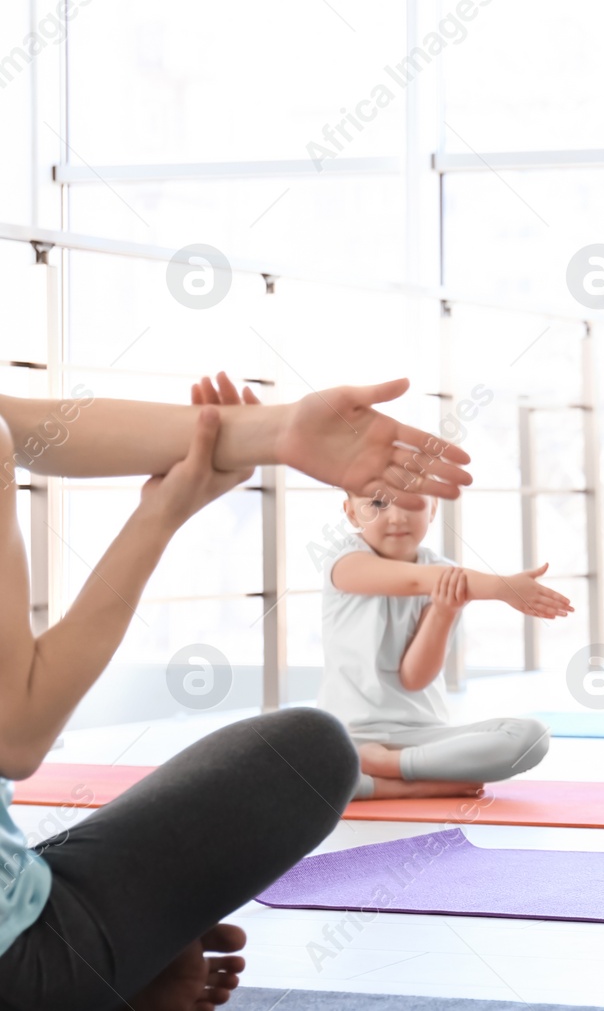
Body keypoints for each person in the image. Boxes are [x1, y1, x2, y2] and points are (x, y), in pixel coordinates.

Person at [0, 372, 471, 1010]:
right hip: (24, 962)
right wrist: (160, 514)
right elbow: (16, 737)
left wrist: (267, 432)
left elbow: (29, 424)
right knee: (310, 752)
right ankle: (98, 968)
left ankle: (116, 953)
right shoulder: (352, 566)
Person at [321, 487, 571, 799]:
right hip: (349, 738)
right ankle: (411, 786)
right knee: (289, 768)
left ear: (433, 507)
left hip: (425, 739)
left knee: (531, 737)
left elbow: (415, 678)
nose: (396, 517)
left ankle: (394, 767)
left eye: (411, 501)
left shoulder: (448, 575)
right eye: (377, 503)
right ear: (351, 511)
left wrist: (444, 610)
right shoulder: (344, 561)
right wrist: (503, 587)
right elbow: (415, 580)